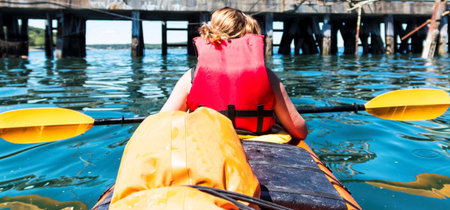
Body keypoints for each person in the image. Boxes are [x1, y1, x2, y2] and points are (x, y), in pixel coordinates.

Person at [160, 7, 307, 140]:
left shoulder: (192, 76)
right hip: (259, 145)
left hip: (206, 146)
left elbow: (162, 124)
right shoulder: (267, 76)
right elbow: (300, 130)